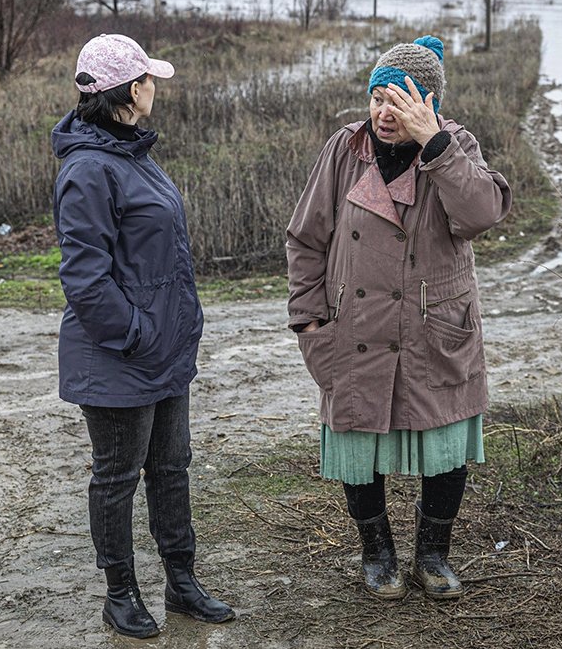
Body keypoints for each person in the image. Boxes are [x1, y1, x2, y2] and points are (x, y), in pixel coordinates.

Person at [287, 35, 512, 600]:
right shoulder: (345, 151)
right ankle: (377, 554)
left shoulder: (454, 146)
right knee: (359, 445)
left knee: (445, 445)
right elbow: (305, 240)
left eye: (400, 99)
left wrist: (434, 143)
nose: (385, 113)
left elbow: (481, 213)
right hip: (356, 331)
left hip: (434, 331)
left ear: (429, 102)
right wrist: (311, 325)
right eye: (377, 98)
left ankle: (433, 556)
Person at [51, 34, 234, 637]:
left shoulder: (131, 154)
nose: (156, 86)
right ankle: (120, 592)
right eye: (150, 79)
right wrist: (132, 336)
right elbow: (84, 276)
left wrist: (170, 331)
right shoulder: (88, 168)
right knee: (117, 477)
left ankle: (181, 583)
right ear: (132, 90)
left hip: (164, 350)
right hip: (120, 356)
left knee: (172, 467)